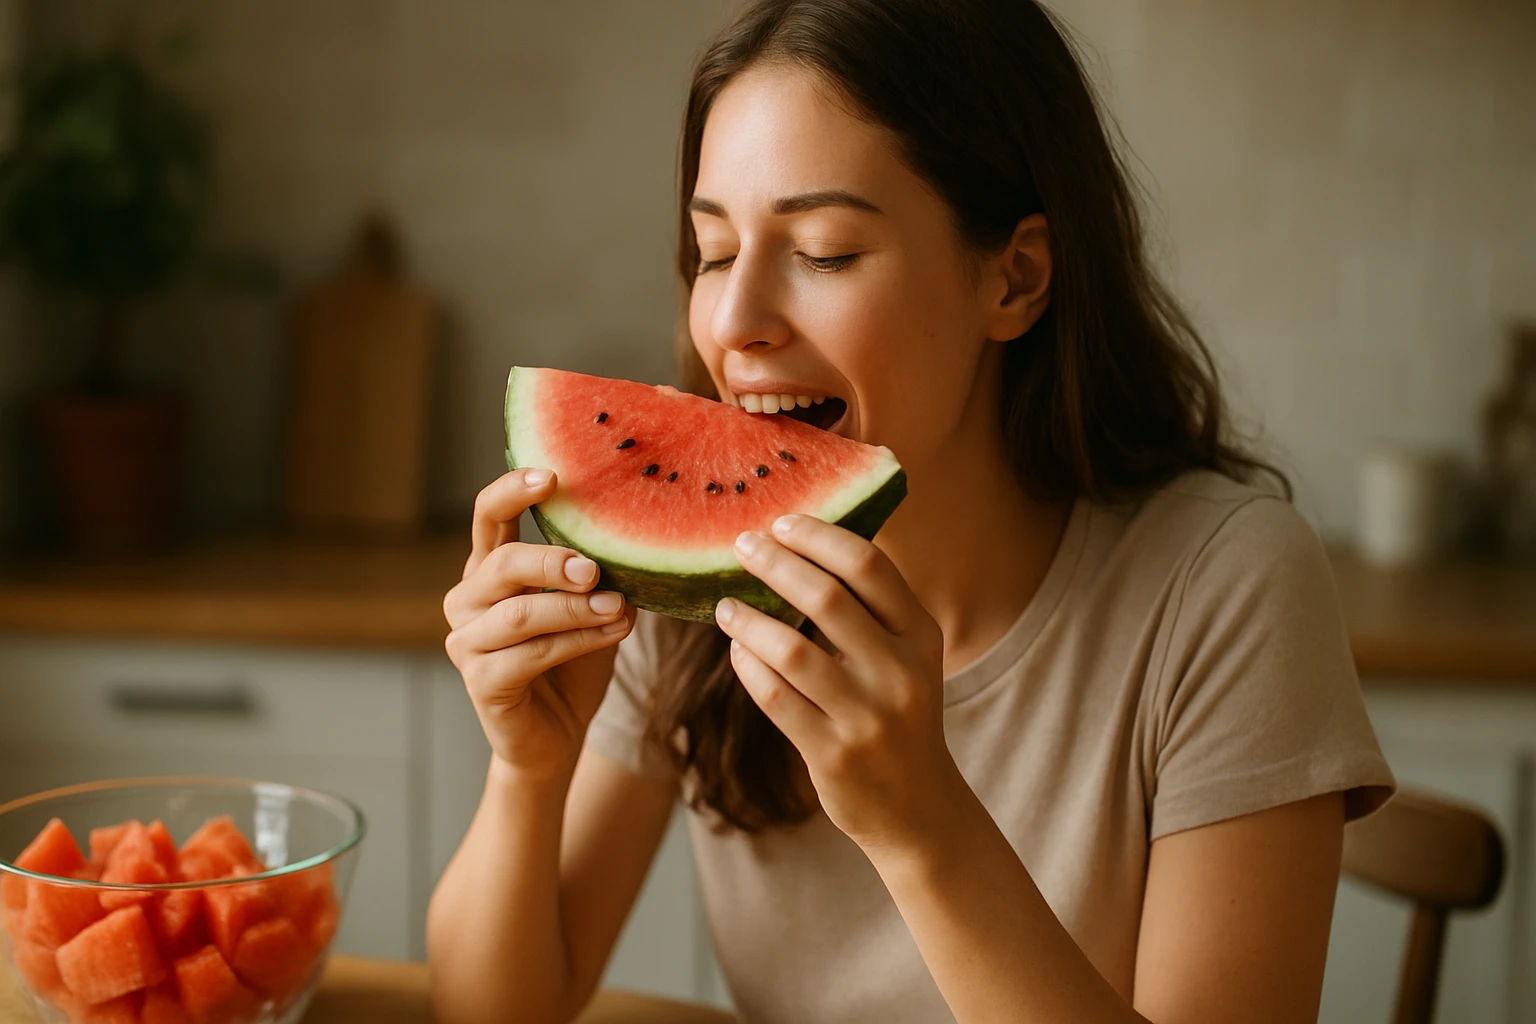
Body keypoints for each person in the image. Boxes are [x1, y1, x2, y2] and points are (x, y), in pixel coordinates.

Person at [428, 1, 1395, 1021]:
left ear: (1014, 278)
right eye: (712, 251)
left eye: (827, 251)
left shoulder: (1226, 587)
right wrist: (529, 771)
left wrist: (922, 825)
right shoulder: (699, 597)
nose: (736, 323)